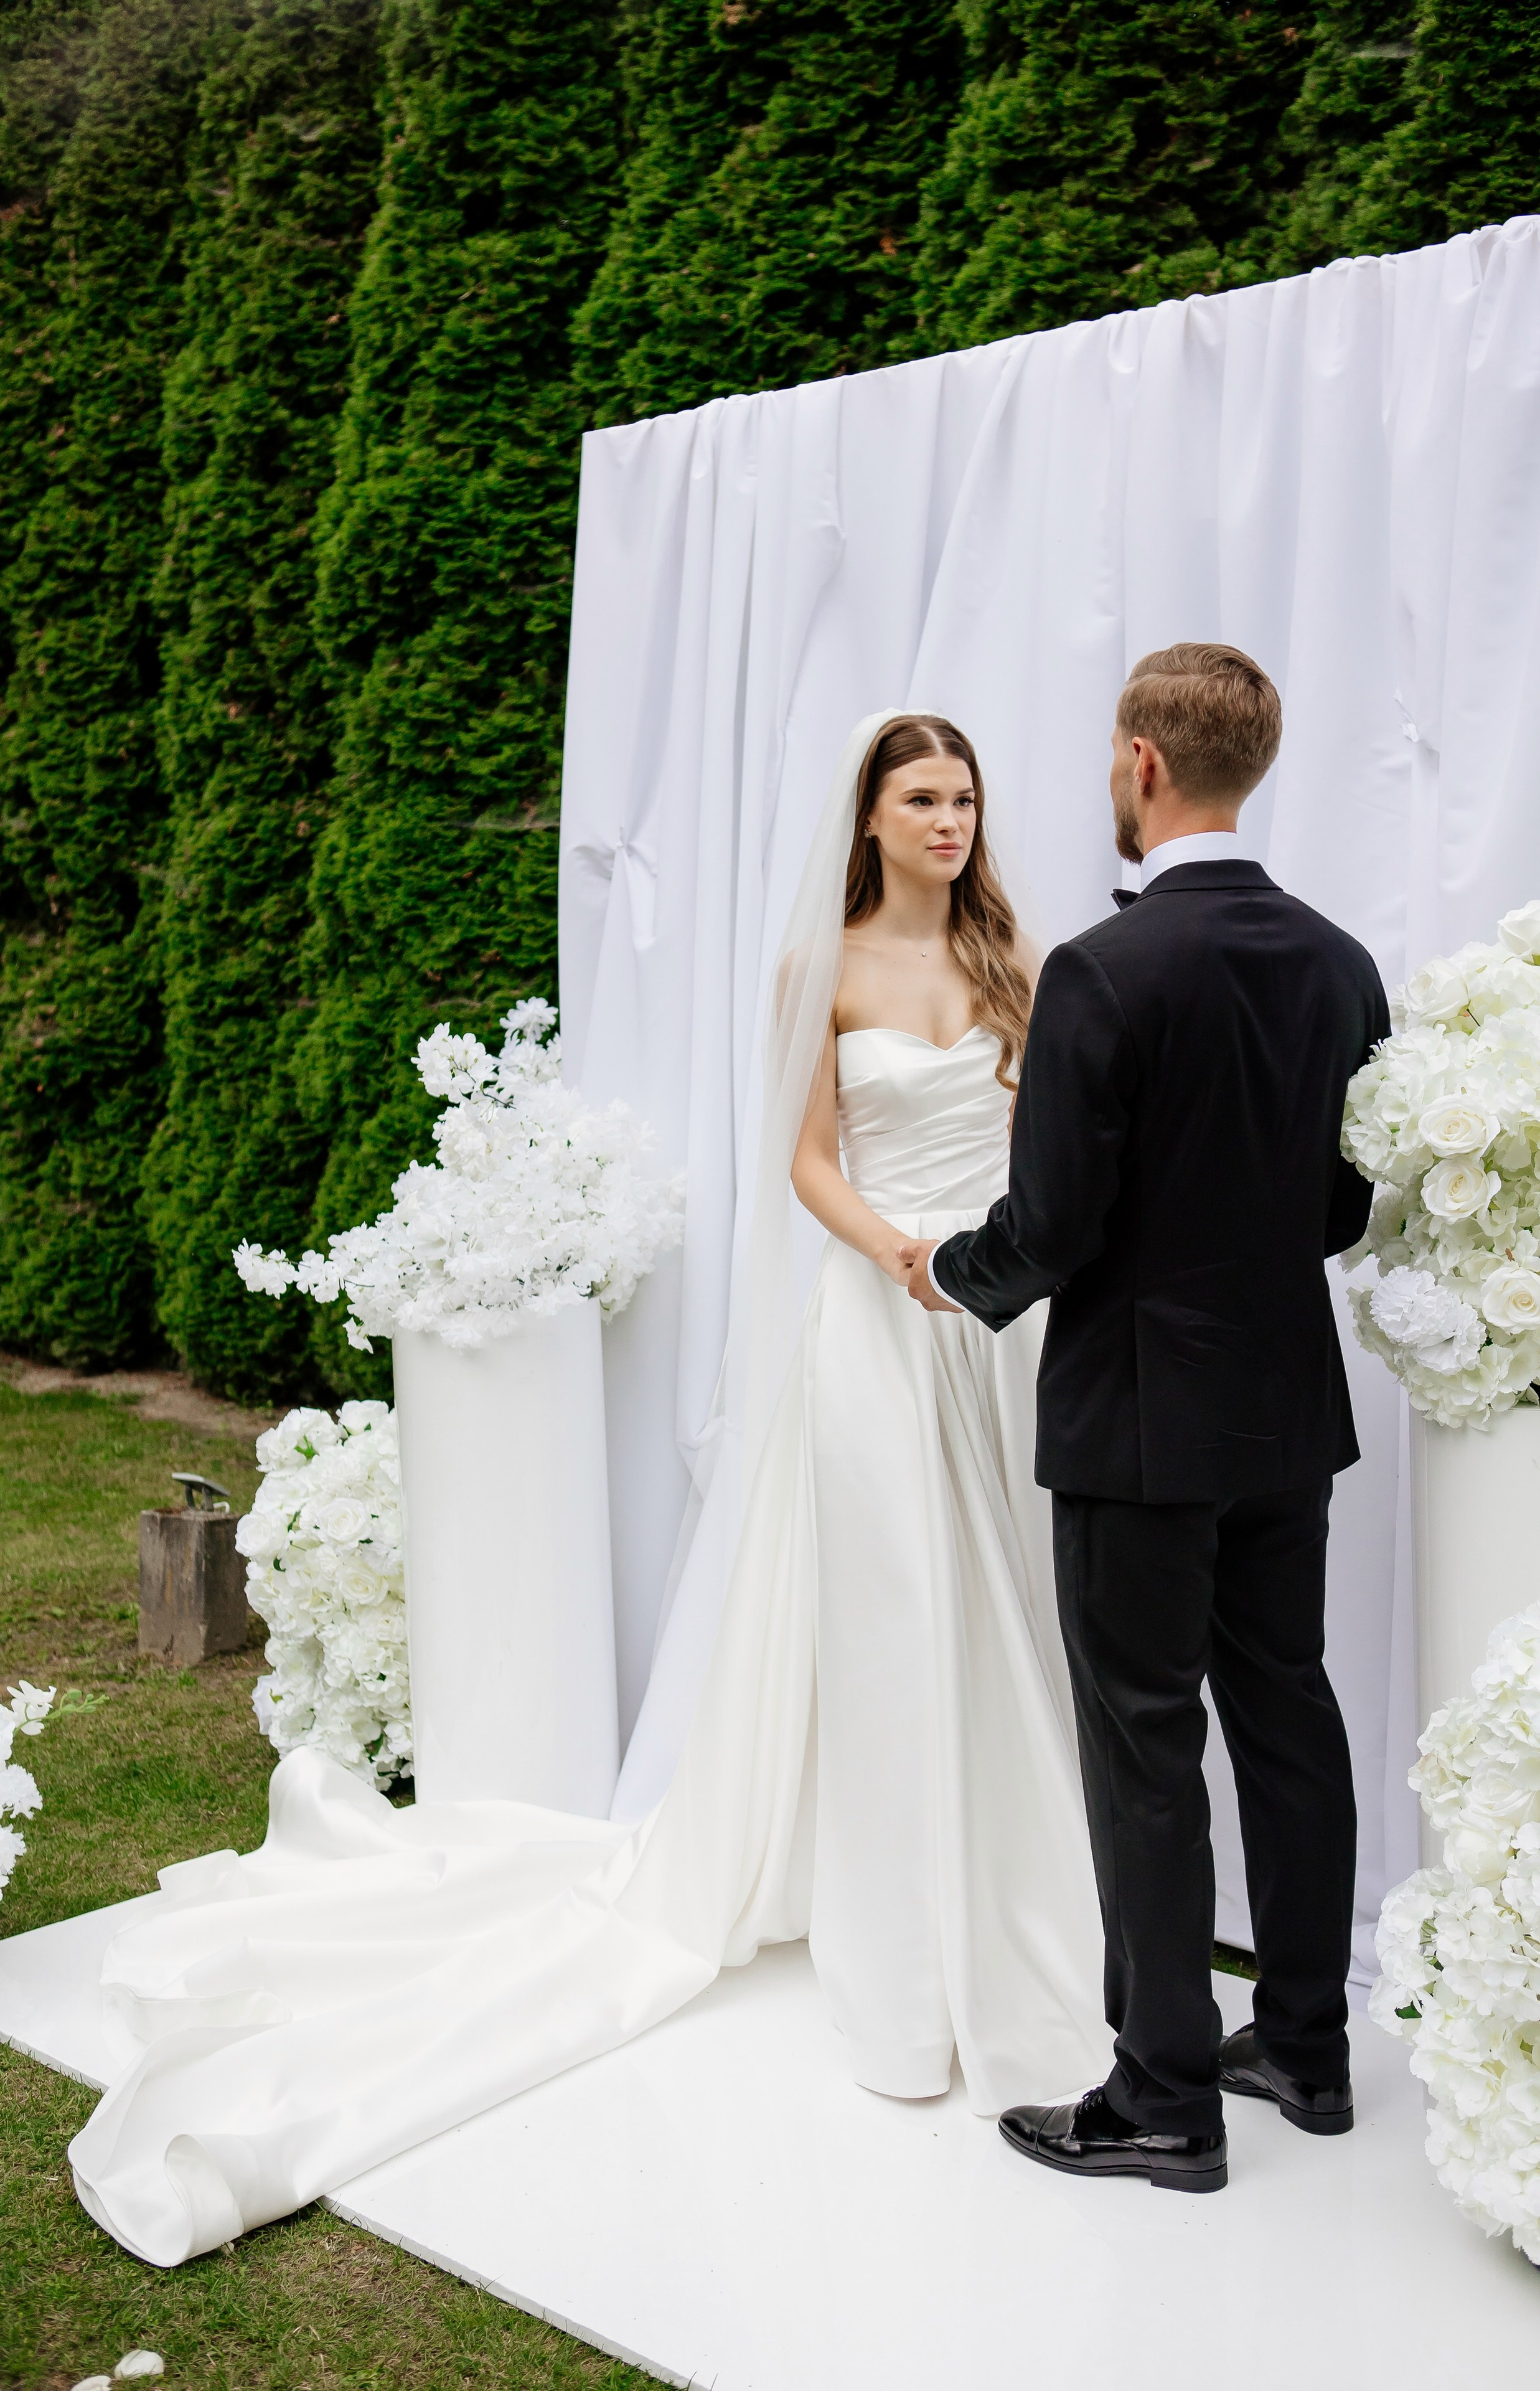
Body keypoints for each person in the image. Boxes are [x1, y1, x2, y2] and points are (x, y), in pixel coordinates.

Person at [68, 711, 1110, 2267]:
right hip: (880, 1317)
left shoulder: (1014, 959)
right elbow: (803, 1161)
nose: (949, 820)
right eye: (920, 797)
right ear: (869, 817)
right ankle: (900, 1966)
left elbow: (1048, 1137)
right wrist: (896, 1250)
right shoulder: (816, 966)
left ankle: (1017, 1905)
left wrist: (1000, 1258)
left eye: (963, 796)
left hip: (997, 1323)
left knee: (1007, 1602)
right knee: (897, 1615)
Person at [903, 644, 1390, 2196]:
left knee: (1143, 1744)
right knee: (1288, 1713)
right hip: (1283, 1409)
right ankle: (1304, 2050)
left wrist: (950, 1271)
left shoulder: (1102, 973)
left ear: (1139, 763)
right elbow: (1339, 1207)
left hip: (1133, 1423)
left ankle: (1164, 2096)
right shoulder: (1337, 963)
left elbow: (1051, 1224)